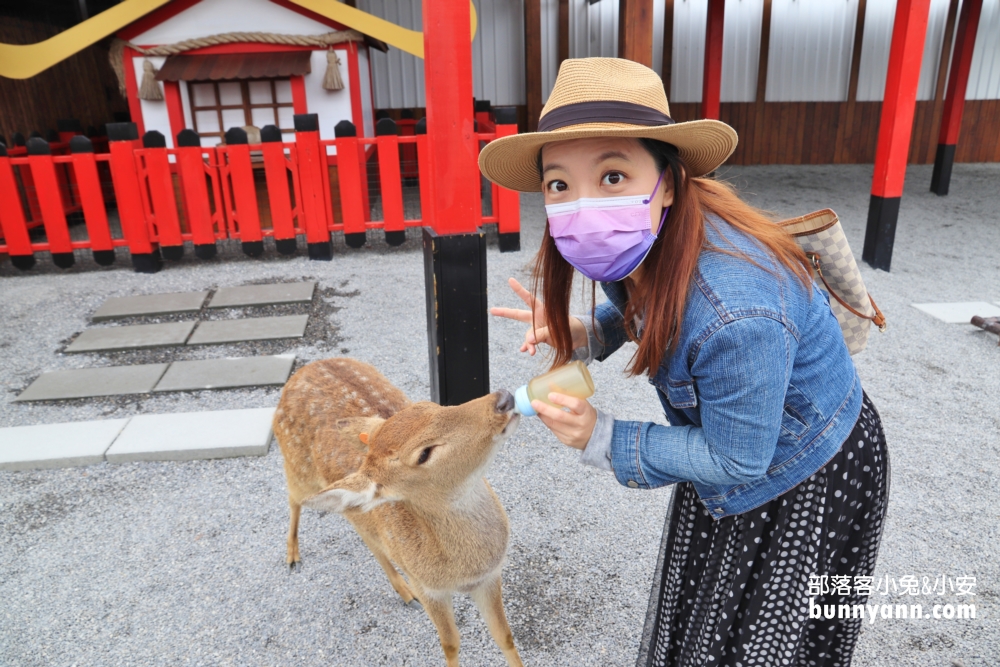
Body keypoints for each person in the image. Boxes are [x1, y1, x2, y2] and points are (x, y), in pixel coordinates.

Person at [479, 58, 889, 667]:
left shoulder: (737, 311)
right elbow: (655, 299)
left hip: (803, 470)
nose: (582, 206)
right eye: (559, 184)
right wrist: (591, 331)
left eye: (613, 175)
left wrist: (603, 437)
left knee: (758, 642)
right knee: (708, 618)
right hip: (737, 449)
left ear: (666, 181)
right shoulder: (657, 234)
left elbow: (739, 458)